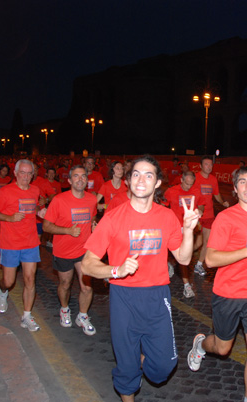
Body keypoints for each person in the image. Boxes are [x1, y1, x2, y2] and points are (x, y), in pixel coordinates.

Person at [82, 155, 200, 402]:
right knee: (126, 367)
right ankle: (130, 375)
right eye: (136, 174)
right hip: (123, 297)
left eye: (149, 175)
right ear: (128, 181)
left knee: (163, 368)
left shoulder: (167, 216)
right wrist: (116, 270)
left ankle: (143, 359)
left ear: (157, 183)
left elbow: (184, 259)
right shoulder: (113, 217)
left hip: (157, 297)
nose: (141, 179)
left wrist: (187, 230)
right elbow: (88, 264)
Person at [187, 166, 247, 401]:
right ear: (236, 189)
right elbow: (210, 259)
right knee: (222, 348)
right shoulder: (225, 218)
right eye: (242, 182)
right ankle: (201, 344)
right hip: (228, 293)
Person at [0, 159, 42, 331]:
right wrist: (9, 218)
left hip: (31, 242)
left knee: (30, 279)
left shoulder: (35, 190)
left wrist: (42, 211)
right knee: (9, 281)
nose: (25, 176)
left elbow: (34, 208)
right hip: (10, 243)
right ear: (16, 174)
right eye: (22, 173)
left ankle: (26, 316)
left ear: (33, 175)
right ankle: (3, 292)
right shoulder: (6, 191)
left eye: (29, 173)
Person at [43, 165, 98, 336]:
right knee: (65, 284)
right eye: (76, 176)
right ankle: (65, 309)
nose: (80, 179)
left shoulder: (91, 199)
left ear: (87, 181)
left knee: (87, 287)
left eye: (83, 176)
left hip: (84, 250)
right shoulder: (59, 200)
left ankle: (82, 315)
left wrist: (93, 225)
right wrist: (67, 231)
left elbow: (93, 216)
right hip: (64, 250)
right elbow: (46, 226)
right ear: (69, 180)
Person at [164, 170, 204, 297]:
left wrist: (200, 212)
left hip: (191, 225)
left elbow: (201, 204)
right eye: (186, 184)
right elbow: (163, 205)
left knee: (200, 243)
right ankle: (187, 286)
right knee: (185, 257)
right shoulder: (171, 191)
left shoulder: (196, 191)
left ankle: (173, 260)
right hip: (176, 227)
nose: (188, 187)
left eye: (191, 184)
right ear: (181, 180)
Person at [193, 156, 229, 276]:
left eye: (210, 165)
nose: (209, 167)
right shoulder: (195, 178)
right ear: (201, 166)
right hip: (196, 215)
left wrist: (222, 202)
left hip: (209, 215)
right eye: (206, 164)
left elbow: (216, 194)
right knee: (198, 243)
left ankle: (199, 264)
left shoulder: (213, 179)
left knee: (207, 242)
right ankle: (181, 255)